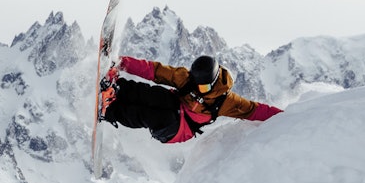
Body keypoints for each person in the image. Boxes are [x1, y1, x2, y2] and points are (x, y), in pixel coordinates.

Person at [99, 55, 282, 143]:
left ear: (214, 82)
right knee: (157, 95)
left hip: (179, 129)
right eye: (197, 84)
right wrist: (122, 63)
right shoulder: (187, 78)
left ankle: (111, 111)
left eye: (203, 87)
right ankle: (117, 88)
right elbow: (154, 70)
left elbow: (256, 110)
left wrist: (288, 117)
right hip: (174, 106)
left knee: (157, 116)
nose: (199, 90)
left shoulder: (225, 100)